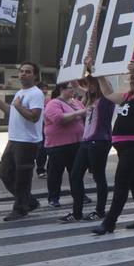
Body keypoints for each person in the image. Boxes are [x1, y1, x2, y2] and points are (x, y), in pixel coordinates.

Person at [91, 61, 134, 235]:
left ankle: (109, 222)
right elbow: (108, 93)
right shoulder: (128, 97)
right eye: (130, 80)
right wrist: (99, 74)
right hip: (125, 147)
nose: (131, 83)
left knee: (121, 182)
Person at [0, 61, 45, 221]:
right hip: (14, 139)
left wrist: (18, 107)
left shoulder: (36, 93)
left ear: (35, 75)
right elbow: (11, 112)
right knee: (5, 173)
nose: (23, 74)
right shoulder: (20, 92)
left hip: (27, 142)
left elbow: (34, 117)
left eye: (27, 71)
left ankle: (20, 209)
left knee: (22, 177)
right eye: (21, 71)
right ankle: (29, 201)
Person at [64, 74, 111, 223]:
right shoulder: (91, 100)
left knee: (98, 176)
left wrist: (98, 73)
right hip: (86, 141)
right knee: (75, 175)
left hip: (100, 141)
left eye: (91, 84)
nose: (88, 87)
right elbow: (76, 86)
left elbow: (106, 88)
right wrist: (72, 69)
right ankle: (77, 212)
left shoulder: (107, 99)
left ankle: (100, 211)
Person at [42, 82, 86, 210]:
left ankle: (79, 195)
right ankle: (53, 198)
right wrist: (79, 113)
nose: (73, 91)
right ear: (62, 89)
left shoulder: (76, 102)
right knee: (55, 173)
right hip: (58, 145)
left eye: (73, 88)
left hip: (76, 143)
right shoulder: (54, 103)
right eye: (70, 88)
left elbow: (84, 114)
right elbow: (59, 119)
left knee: (76, 172)